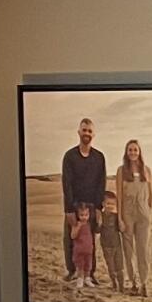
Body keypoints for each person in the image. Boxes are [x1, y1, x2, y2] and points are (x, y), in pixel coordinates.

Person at [59, 116, 106, 291]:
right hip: (74, 206)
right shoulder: (69, 156)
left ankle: (89, 273)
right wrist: (69, 209)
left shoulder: (99, 157)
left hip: (92, 206)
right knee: (70, 239)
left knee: (90, 241)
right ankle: (72, 271)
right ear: (79, 132)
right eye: (84, 130)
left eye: (89, 131)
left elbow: (101, 183)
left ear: (94, 134)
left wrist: (100, 208)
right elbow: (67, 183)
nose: (86, 133)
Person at [116, 137, 152, 297]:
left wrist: (148, 212)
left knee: (143, 249)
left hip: (143, 214)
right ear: (126, 152)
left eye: (135, 150)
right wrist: (120, 218)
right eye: (130, 150)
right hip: (127, 213)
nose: (133, 152)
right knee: (128, 249)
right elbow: (119, 196)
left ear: (139, 152)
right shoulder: (121, 170)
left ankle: (144, 283)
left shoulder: (147, 170)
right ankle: (133, 282)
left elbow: (151, 195)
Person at [97, 181, 130, 292]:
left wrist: (121, 224)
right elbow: (97, 231)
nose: (110, 206)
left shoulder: (116, 217)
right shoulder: (100, 216)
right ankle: (114, 283)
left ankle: (121, 286)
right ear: (103, 204)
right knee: (111, 267)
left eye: (112, 204)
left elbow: (122, 230)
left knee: (119, 267)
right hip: (106, 246)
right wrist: (99, 223)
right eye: (108, 204)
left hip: (117, 245)